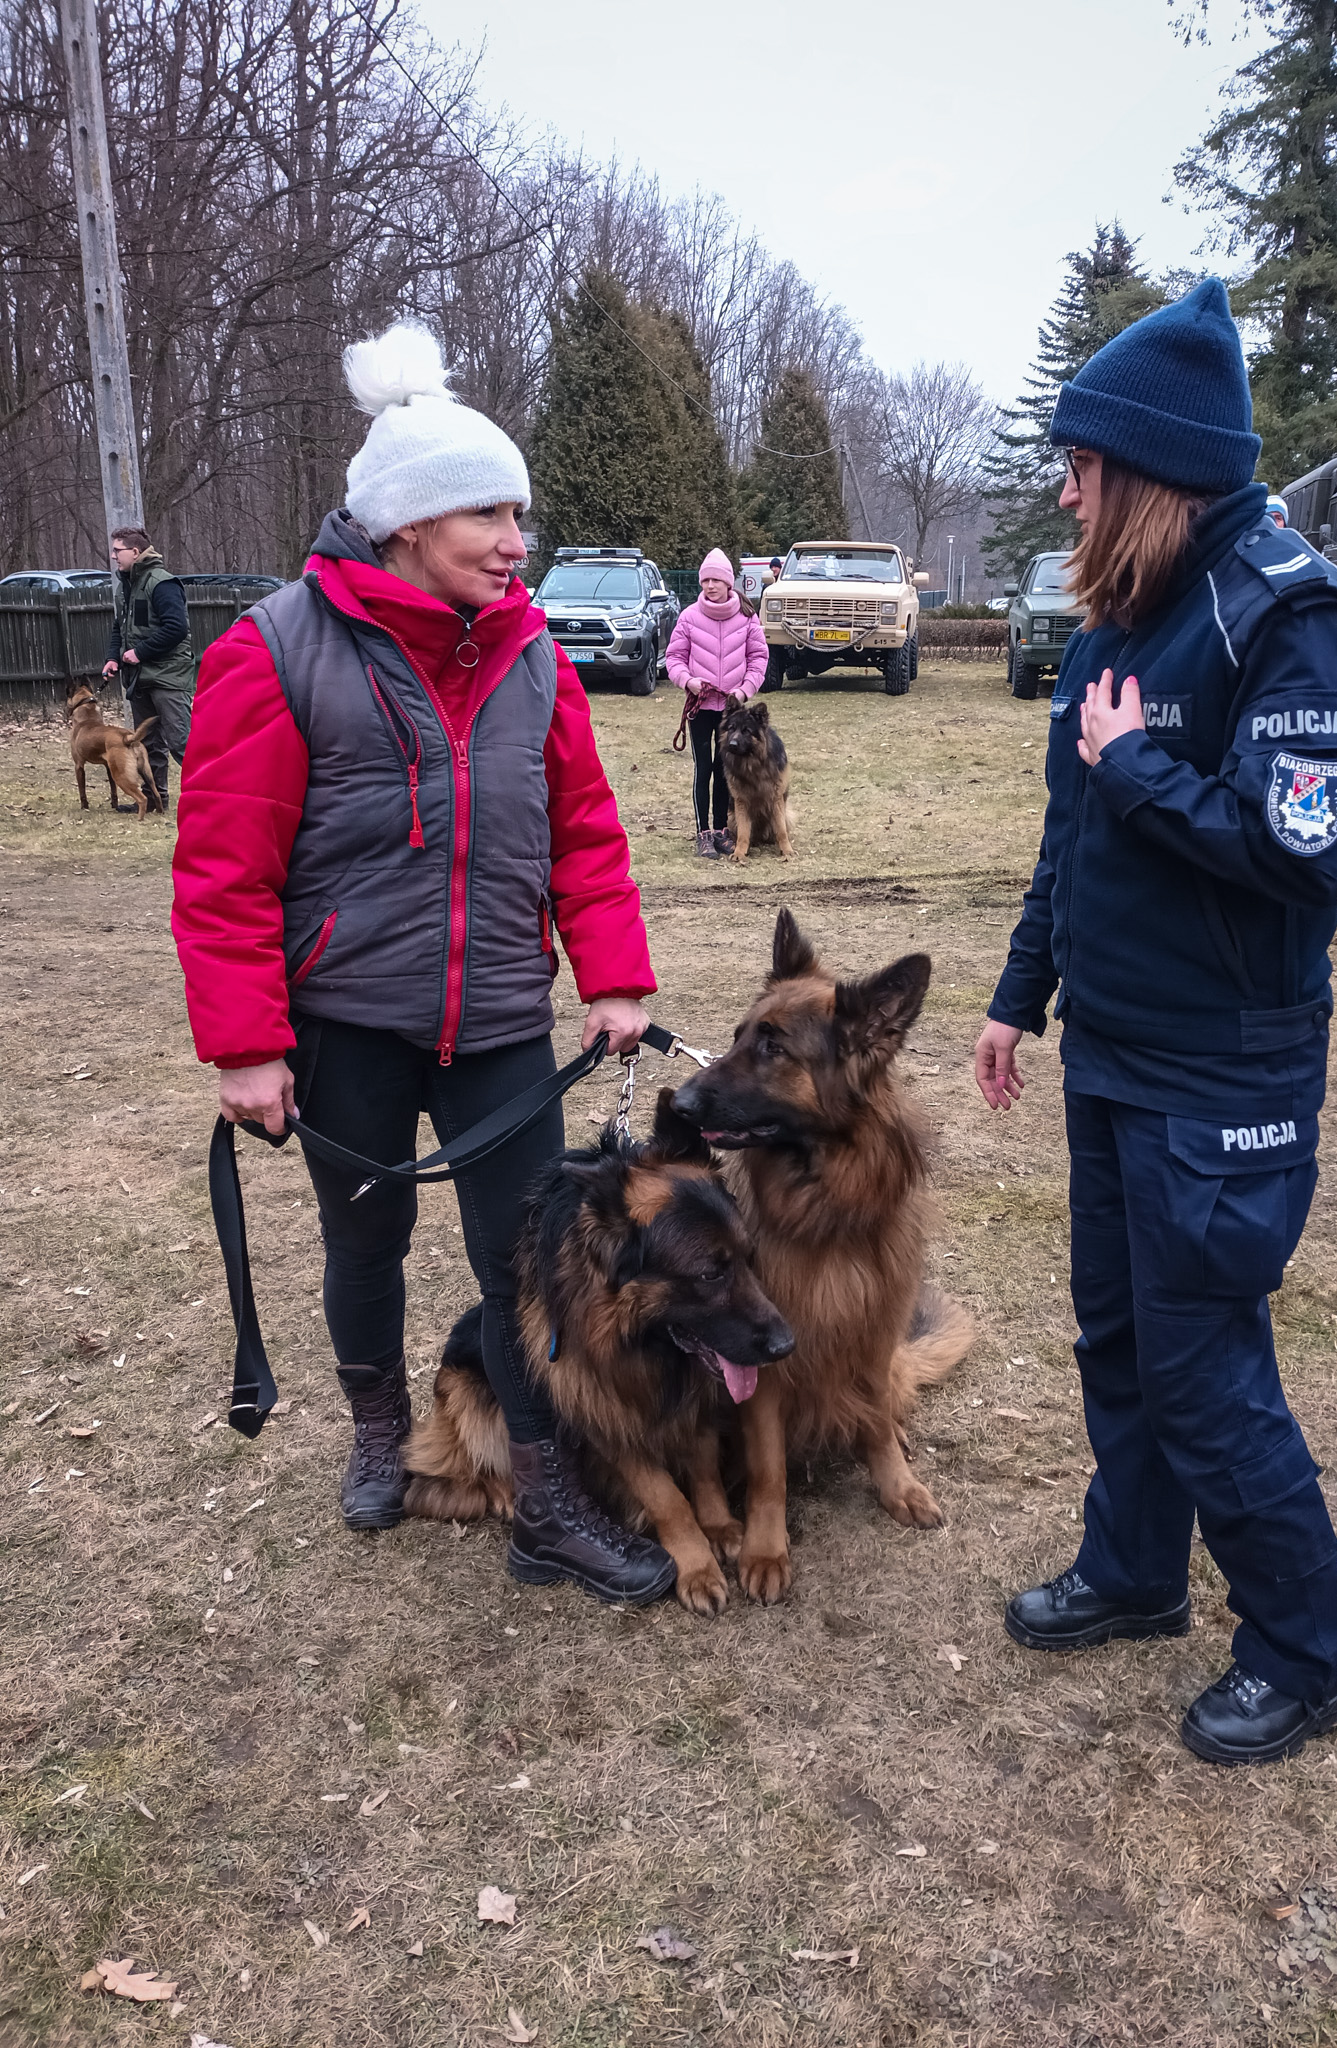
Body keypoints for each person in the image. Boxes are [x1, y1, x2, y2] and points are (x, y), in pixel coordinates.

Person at [171, 320, 676, 1606]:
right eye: (488, 515)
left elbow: (584, 831)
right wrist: (246, 1043)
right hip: (347, 1019)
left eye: (519, 514)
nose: (518, 541)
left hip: (502, 1015)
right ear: (403, 523)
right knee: (366, 1241)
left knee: (525, 1260)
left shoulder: (532, 654)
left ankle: (549, 1499)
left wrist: (613, 975)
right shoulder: (275, 650)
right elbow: (225, 869)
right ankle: (376, 1427)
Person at [972, 278, 1337, 1767]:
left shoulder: (1292, 615)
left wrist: (1141, 766)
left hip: (1226, 1070)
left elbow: (1306, 854)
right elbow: (1071, 835)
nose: (1066, 485)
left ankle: (1302, 1650)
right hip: (1116, 1054)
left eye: (1084, 463)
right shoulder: (1118, 622)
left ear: (1146, 468)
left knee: (1209, 1372)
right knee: (1118, 1342)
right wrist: (1024, 996)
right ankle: (1138, 1574)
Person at [666, 547, 768, 858]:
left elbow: (759, 658)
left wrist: (744, 691)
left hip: (732, 712)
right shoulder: (689, 617)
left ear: (728, 583)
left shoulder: (747, 617)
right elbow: (673, 658)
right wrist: (689, 681)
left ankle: (722, 830)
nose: (709, 586)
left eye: (715, 580)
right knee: (703, 768)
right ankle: (703, 832)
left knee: (725, 767)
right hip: (700, 708)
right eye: (705, 580)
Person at [102, 526, 193, 812]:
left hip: (168, 676)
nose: (113, 555)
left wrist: (139, 652)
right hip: (140, 677)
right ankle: (155, 801)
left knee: (181, 742)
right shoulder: (125, 586)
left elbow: (177, 628)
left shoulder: (162, 583)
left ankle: (213, 797)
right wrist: (113, 657)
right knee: (148, 743)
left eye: (118, 550)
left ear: (136, 552)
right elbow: (120, 627)